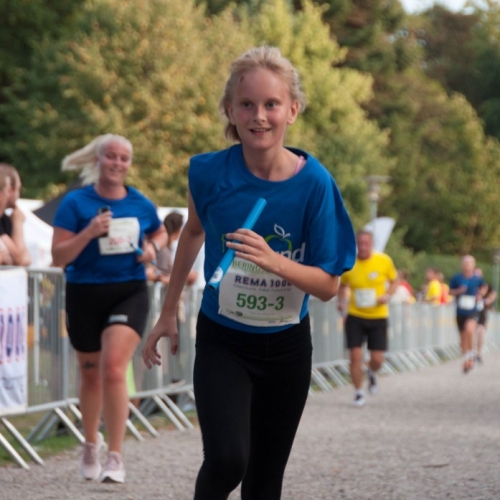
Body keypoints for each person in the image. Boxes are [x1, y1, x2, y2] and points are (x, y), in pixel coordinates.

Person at [142, 46, 356, 500]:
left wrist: (273, 260)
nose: (259, 116)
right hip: (224, 340)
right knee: (227, 460)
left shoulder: (315, 184)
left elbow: (328, 285)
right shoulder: (207, 173)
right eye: (247, 104)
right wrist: (167, 311)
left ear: (292, 110)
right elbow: (194, 231)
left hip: (286, 347)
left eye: (271, 104)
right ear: (230, 110)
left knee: (263, 481)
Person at [51, 134, 167, 483]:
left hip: (128, 290)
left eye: (124, 158)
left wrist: (152, 248)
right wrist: (88, 233)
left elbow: (160, 233)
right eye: (111, 156)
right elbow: (58, 256)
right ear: (98, 160)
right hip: (84, 292)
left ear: (129, 164)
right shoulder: (75, 202)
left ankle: (115, 457)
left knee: (114, 367)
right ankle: (91, 443)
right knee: (90, 373)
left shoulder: (140, 203)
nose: (118, 163)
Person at [337, 230, 399, 407]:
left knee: (377, 359)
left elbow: (395, 281)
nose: (363, 247)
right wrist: (341, 301)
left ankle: (371, 372)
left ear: (372, 244)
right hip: (355, 315)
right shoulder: (350, 262)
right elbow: (342, 285)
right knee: (355, 356)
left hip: (378, 315)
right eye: (360, 243)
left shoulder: (384, 260)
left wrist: (387, 295)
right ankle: (358, 393)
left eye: (366, 243)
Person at [448, 255, 487, 373]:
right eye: (465, 263)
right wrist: (458, 291)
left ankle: (471, 355)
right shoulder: (456, 278)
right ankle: (466, 359)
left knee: (469, 330)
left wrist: (480, 294)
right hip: (460, 311)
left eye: (469, 263)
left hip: (473, 310)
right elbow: (449, 291)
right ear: (461, 265)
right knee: (462, 338)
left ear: (473, 265)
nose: (467, 265)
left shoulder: (477, 278)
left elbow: (484, 287)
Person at [0, 163, 31, 266]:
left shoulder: (5, 219)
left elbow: (26, 259)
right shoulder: (14, 219)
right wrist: (18, 223)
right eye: (18, 189)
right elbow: (19, 258)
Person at [473, 267, 496, 364]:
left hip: (482, 312)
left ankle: (478, 354)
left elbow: (493, 292)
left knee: (480, 332)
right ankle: (472, 353)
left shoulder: (485, 284)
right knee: (473, 332)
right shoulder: (470, 283)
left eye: (479, 273)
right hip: (472, 311)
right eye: (475, 273)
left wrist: (489, 300)